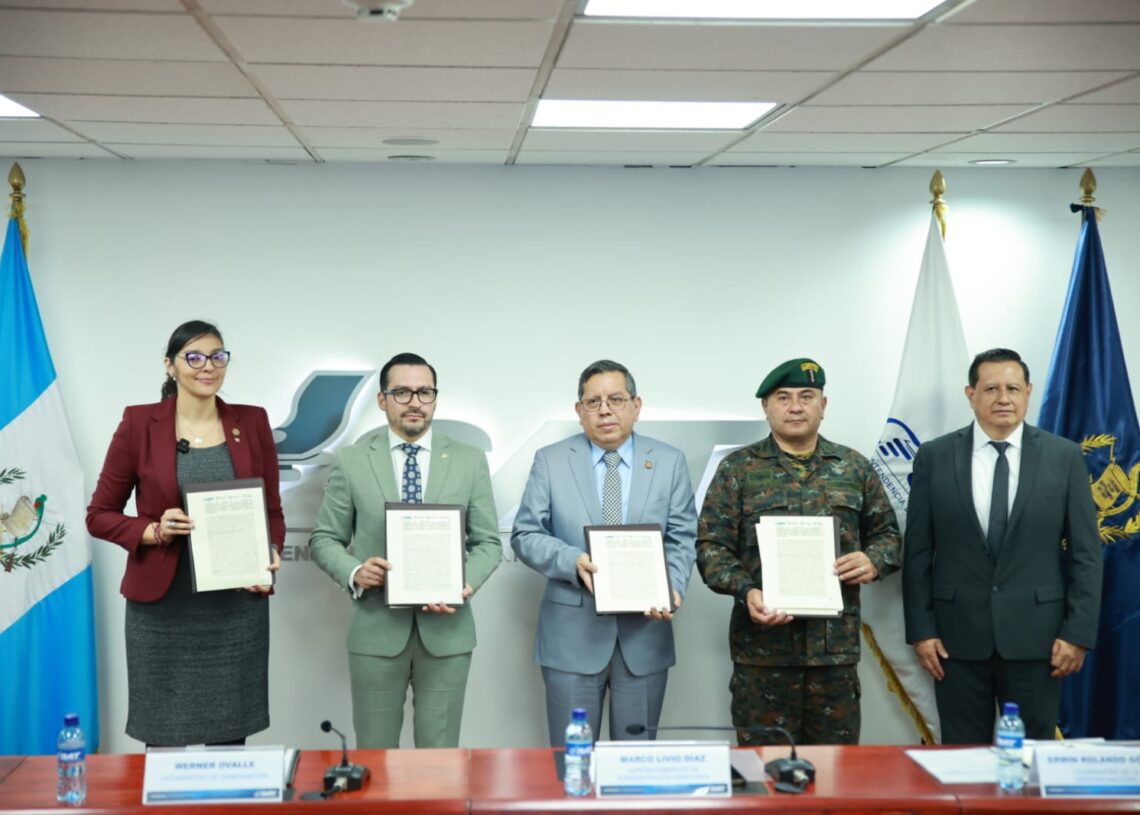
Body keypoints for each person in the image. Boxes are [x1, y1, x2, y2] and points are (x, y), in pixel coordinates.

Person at [86, 320, 284, 747]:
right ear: (170, 365)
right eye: (193, 357)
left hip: (235, 611)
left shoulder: (251, 421)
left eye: (217, 356)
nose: (207, 366)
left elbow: (271, 512)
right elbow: (99, 515)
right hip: (162, 613)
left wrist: (270, 550)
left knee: (230, 746)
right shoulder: (140, 423)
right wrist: (154, 531)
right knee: (164, 743)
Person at [697, 358, 901, 745]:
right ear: (766, 406)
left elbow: (889, 535)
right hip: (762, 655)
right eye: (783, 397)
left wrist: (872, 560)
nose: (795, 407)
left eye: (806, 396)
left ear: (823, 405)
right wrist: (746, 591)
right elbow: (711, 548)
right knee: (764, 770)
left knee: (835, 771)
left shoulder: (853, 467)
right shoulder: (737, 470)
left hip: (834, 655)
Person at [902, 348, 1102, 743]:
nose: (1003, 398)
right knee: (964, 760)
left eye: (1013, 388)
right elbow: (918, 553)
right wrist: (922, 631)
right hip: (955, 642)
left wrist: (1077, 633)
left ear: (1028, 392)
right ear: (971, 394)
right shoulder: (934, 457)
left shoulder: (1064, 457)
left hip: (1039, 641)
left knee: (1030, 760)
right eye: (991, 388)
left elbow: (1086, 556)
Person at [309, 352, 501, 748]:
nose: (415, 402)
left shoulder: (469, 461)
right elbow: (324, 539)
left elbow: (488, 542)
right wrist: (355, 571)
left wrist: (463, 582)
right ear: (382, 399)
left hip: (447, 633)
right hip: (376, 631)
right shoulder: (353, 461)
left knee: (440, 761)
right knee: (375, 756)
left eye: (424, 392)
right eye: (402, 392)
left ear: (435, 398)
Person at [512, 359, 697, 745]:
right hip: (571, 639)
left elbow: (682, 536)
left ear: (636, 405)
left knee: (635, 764)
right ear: (579, 411)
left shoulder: (669, 461)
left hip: (645, 635)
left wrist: (672, 587)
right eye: (593, 402)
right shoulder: (551, 460)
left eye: (616, 399)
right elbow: (525, 533)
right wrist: (571, 561)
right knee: (573, 764)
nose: (605, 410)